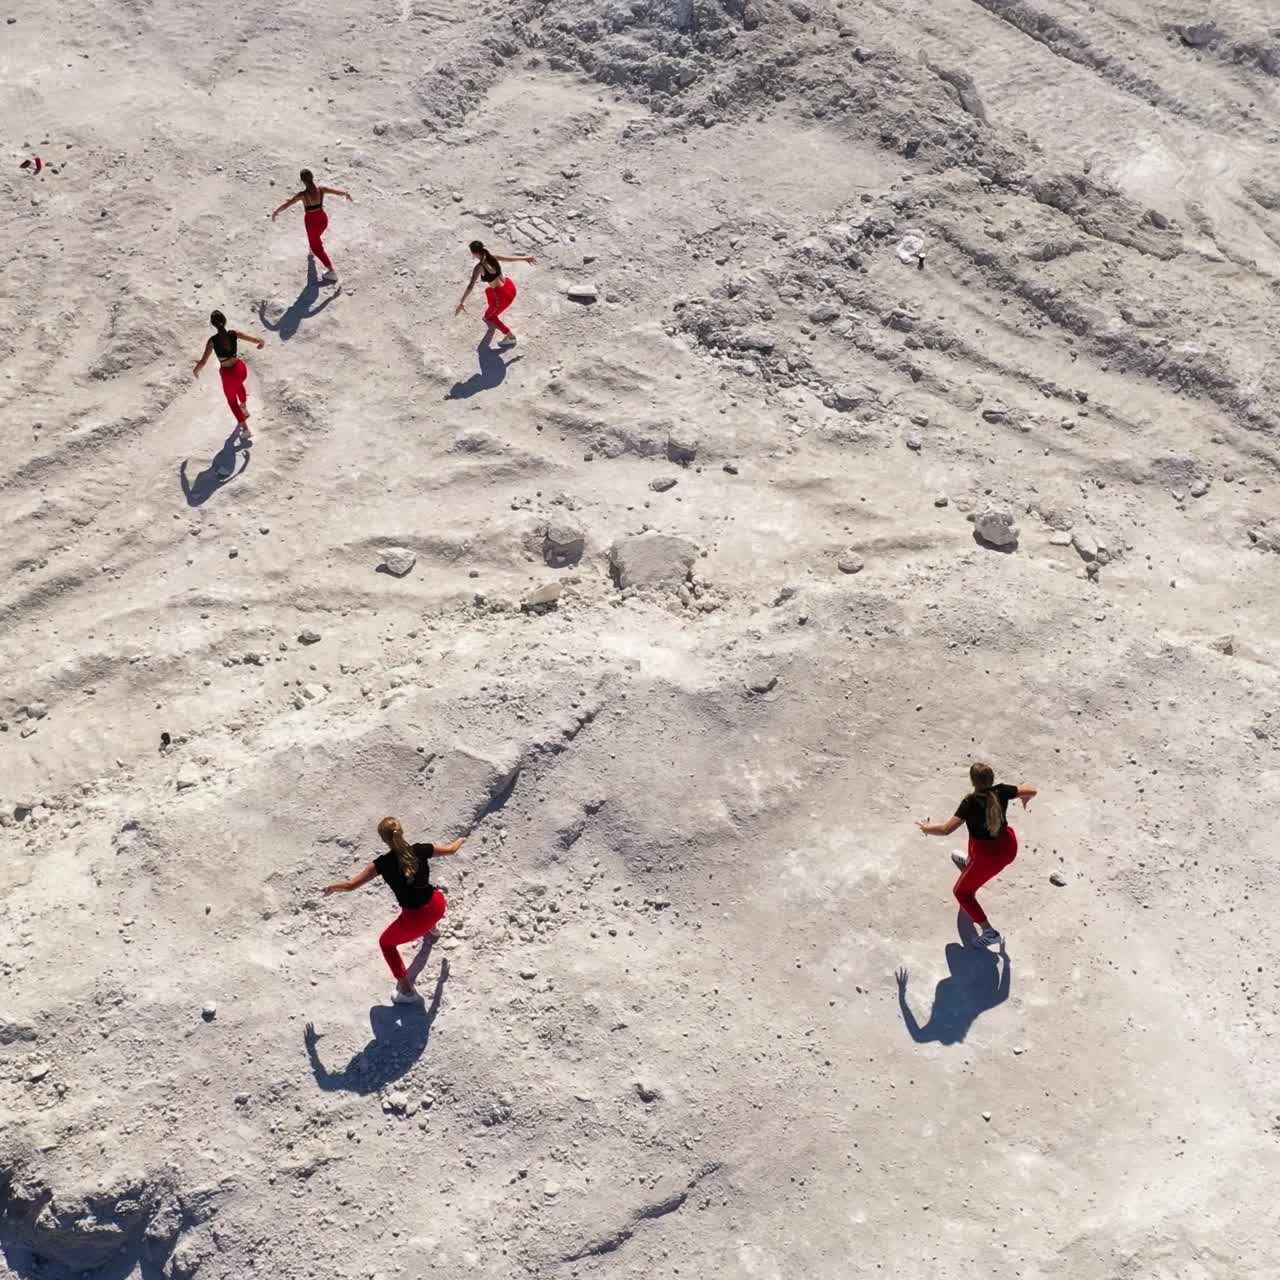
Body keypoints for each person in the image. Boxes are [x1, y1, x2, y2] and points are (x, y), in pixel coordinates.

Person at [321, 818, 465, 1003]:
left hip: (415, 919)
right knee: (427, 893)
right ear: (402, 831)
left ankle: (407, 991)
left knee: (386, 944)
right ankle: (433, 930)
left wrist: (333, 887)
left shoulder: (381, 864)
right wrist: (462, 838)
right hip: (438, 905)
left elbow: (350, 885)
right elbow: (452, 849)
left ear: (383, 839)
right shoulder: (420, 849)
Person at [917, 762, 1037, 948]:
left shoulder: (970, 803)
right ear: (992, 779)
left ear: (973, 782)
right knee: (974, 843)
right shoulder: (1002, 790)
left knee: (962, 893)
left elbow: (946, 830)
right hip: (1007, 846)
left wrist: (926, 828)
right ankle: (970, 864)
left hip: (988, 856)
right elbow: (1032, 791)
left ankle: (989, 932)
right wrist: (1025, 798)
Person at [271, 169, 352, 284]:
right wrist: (346, 193)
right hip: (323, 219)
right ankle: (312, 249)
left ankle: (331, 272)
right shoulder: (321, 190)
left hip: (311, 222)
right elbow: (336, 192)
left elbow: (287, 204)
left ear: (302, 181)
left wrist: (276, 212)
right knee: (315, 238)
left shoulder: (302, 195)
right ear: (313, 177)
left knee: (317, 248)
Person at [192, 310, 265, 438]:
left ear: (213, 324)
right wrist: (261, 343)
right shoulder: (234, 333)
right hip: (240, 369)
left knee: (232, 401)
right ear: (225, 321)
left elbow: (203, 362)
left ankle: (245, 428)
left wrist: (195, 371)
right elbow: (256, 340)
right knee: (239, 385)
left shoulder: (212, 341)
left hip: (228, 375)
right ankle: (244, 407)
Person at [454, 241, 535, 346]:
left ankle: (511, 337)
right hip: (510, 286)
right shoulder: (494, 257)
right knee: (488, 290)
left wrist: (461, 302)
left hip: (504, 296)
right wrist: (526, 258)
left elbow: (470, 286)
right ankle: (494, 307)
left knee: (489, 317)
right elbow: (509, 259)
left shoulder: (479, 267)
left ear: (475, 253)